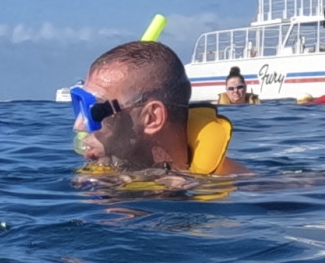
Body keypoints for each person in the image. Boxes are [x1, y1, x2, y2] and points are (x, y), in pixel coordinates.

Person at [72, 38, 243, 178]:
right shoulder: (108, 177)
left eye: (95, 111)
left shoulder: (245, 192)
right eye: (78, 106)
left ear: (152, 118)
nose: (79, 125)